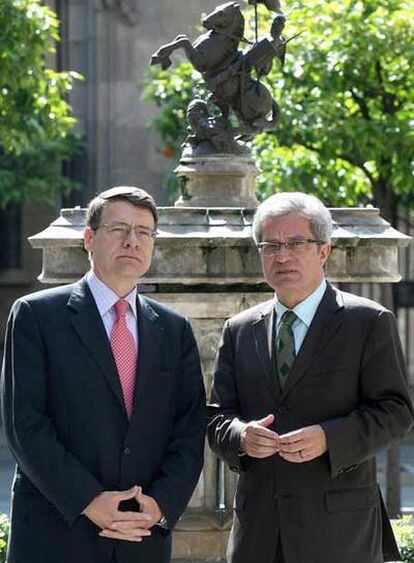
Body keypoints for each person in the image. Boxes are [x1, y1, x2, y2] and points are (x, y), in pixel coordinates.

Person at [1, 186, 206, 563]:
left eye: (144, 232)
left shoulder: (174, 329)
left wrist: (159, 506)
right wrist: (89, 501)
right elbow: (24, 425)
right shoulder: (36, 315)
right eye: (119, 229)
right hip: (57, 532)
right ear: (89, 239)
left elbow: (189, 430)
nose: (133, 241)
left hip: (141, 538)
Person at [207, 191, 414, 563]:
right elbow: (216, 418)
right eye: (270, 245)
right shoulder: (239, 329)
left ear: (324, 251)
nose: (282, 256)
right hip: (258, 533)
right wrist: (241, 435)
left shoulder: (368, 322)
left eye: (296, 243)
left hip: (339, 535)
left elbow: (397, 413)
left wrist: (330, 438)